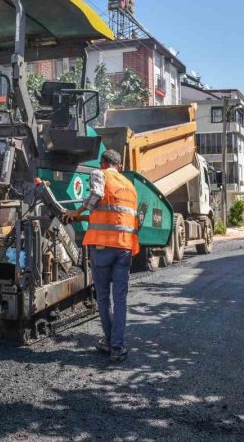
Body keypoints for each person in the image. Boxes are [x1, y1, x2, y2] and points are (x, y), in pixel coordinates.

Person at [65, 149, 139, 362]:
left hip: (103, 249)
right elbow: (113, 214)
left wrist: (75, 213)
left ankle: (109, 341)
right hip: (124, 248)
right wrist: (85, 218)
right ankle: (116, 346)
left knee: (104, 297)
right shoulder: (130, 187)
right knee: (120, 299)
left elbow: (96, 196)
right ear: (120, 166)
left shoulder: (100, 174)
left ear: (103, 163)